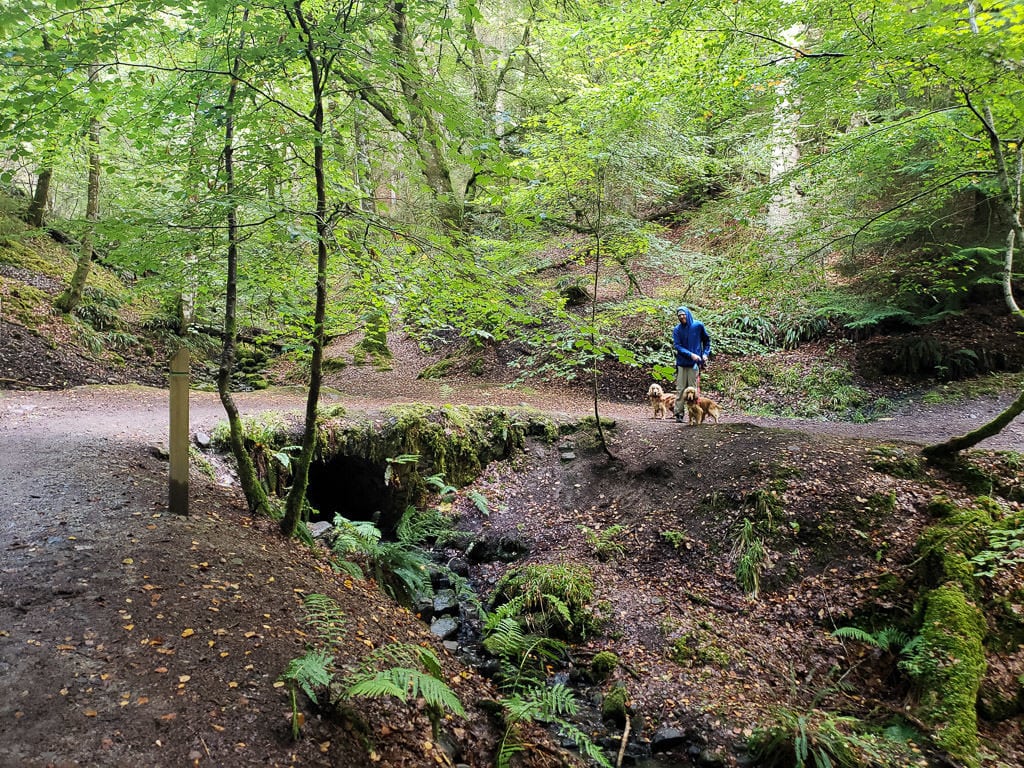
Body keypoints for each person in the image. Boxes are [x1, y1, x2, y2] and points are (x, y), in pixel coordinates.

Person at [671, 306, 711, 423]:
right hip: (682, 363)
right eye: (679, 315)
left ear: (688, 314)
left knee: (693, 390)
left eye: (683, 314)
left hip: (694, 364)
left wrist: (705, 354)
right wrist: (690, 354)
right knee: (680, 389)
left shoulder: (698, 326)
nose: (681, 317)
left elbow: (707, 341)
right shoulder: (677, 329)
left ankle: (694, 413)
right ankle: (678, 413)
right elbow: (677, 346)